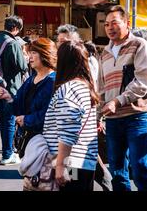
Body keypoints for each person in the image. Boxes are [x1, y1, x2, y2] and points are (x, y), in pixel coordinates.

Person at [99, 5, 147, 191]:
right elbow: (101, 88)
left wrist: (117, 101)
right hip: (112, 120)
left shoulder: (139, 45)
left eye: (115, 23)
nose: (110, 27)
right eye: (107, 24)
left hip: (136, 116)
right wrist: (98, 114)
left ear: (127, 23)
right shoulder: (104, 52)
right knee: (117, 171)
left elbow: (143, 81)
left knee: (140, 166)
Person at [43, 40, 98, 191]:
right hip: (84, 161)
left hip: (70, 163)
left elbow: (67, 131)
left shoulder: (68, 89)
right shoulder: (85, 87)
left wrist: (61, 165)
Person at [0, 38, 56, 158]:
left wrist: (27, 120)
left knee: (45, 175)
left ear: (45, 54)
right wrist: (8, 98)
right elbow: (19, 106)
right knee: (30, 175)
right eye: (30, 52)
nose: (30, 56)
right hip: (30, 139)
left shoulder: (53, 81)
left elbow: (51, 114)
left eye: (34, 53)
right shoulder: (31, 79)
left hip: (48, 142)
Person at [0, 16, 28, 165]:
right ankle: (8, 154)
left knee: (4, 120)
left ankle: (7, 151)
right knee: (9, 121)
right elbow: (22, 66)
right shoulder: (12, 43)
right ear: (16, 28)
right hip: (9, 87)